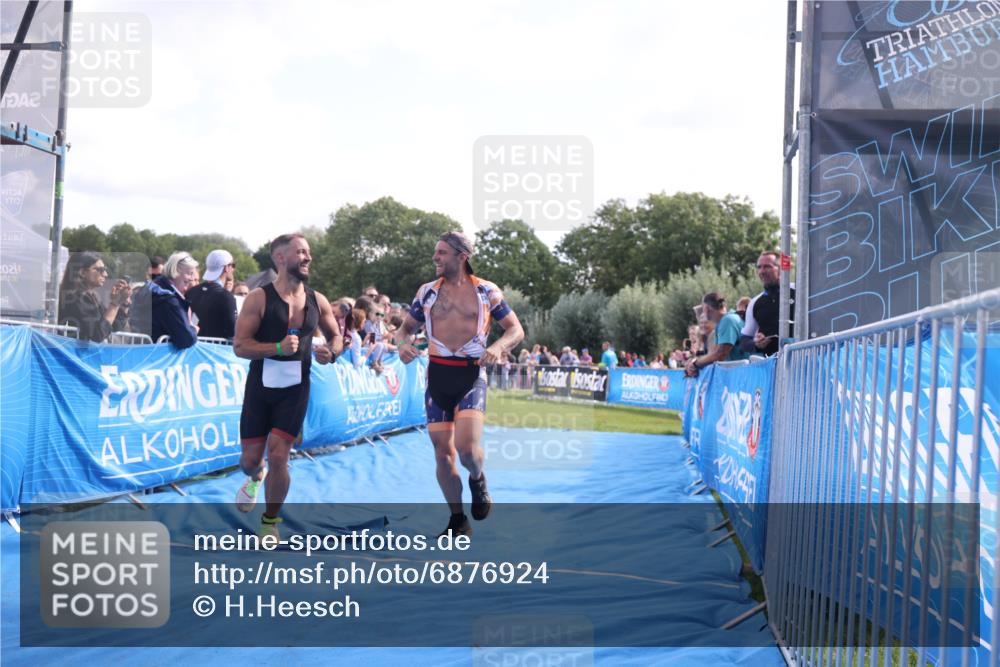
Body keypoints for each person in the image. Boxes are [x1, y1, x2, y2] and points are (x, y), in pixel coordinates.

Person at [394, 231, 524, 537]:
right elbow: (404, 330)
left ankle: (478, 479)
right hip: (438, 375)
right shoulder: (427, 292)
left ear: (461, 257)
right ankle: (457, 520)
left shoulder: (487, 292)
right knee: (443, 454)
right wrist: (402, 345)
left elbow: (516, 329)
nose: (435, 258)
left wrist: (498, 347)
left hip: (471, 375)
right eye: (435, 252)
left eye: (441, 253)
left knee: (466, 450)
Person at [233, 234, 344, 539]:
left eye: (308, 252)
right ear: (281, 258)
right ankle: (256, 476)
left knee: (280, 454)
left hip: (296, 389)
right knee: (250, 461)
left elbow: (337, 336)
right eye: (301, 252)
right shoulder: (259, 298)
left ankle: (270, 523)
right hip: (260, 389)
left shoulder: (316, 299)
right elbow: (240, 346)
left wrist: (332, 352)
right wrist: (277, 349)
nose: (308, 257)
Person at [58, 252, 131, 342]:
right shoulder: (74, 297)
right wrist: (114, 304)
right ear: (83, 272)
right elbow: (98, 334)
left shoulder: (91, 296)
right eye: (100, 270)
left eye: (105, 270)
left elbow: (114, 326)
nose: (105, 274)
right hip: (74, 354)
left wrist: (123, 303)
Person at [739, 251, 795, 356]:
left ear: (781, 269)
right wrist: (756, 344)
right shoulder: (755, 303)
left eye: (767, 267)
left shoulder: (800, 292)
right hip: (774, 367)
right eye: (759, 267)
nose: (762, 271)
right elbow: (744, 341)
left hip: (807, 362)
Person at [686, 292, 749, 376]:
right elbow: (714, 353)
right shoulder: (726, 320)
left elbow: (720, 355)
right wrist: (696, 362)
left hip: (746, 374)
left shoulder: (728, 321)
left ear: (706, 309)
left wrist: (695, 364)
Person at [149, 252, 199, 348]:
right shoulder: (169, 301)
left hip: (138, 354)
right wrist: (193, 329)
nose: (192, 279)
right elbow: (186, 339)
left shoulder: (151, 288)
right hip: (157, 358)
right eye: (189, 273)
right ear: (175, 271)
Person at [187, 249, 238, 340]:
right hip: (217, 351)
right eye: (232, 265)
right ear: (226, 268)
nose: (233, 269)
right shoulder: (226, 296)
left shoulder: (191, 292)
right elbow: (233, 331)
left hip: (193, 349)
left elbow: (193, 321)